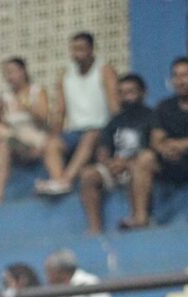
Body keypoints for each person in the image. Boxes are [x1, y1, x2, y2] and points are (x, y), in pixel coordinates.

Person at [123, 57, 188, 229]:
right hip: (174, 163)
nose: (180, 81)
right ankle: (140, 217)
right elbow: (156, 140)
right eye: (176, 76)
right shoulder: (164, 107)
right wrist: (165, 150)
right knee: (145, 157)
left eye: (185, 75)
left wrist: (185, 144)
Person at [37, 32, 118, 196]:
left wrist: (114, 134)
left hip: (100, 129)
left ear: (91, 49)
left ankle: (66, 179)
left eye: (81, 49)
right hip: (74, 132)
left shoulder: (104, 70)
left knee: (90, 136)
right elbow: (60, 110)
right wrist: (54, 134)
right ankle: (58, 180)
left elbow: (114, 106)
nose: (77, 54)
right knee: (51, 143)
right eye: (74, 50)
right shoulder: (65, 75)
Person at [79, 74, 154, 234]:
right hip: (115, 167)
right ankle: (95, 228)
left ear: (143, 93)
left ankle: (140, 218)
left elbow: (153, 149)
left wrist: (126, 163)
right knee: (88, 175)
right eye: (122, 93)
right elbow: (103, 150)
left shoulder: (153, 117)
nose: (127, 97)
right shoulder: (115, 121)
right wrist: (109, 163)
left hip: (139, 167)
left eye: (131, 92)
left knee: (143, 160)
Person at [0, 59, 49, 208]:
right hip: (14, 139)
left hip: (33, 139)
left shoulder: (37, 91)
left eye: (12, 72)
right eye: (6, 73)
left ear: (23, 71)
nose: (9, 77)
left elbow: (43, 118)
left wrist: (25, 106)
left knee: (5, 140)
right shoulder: (6, 96)